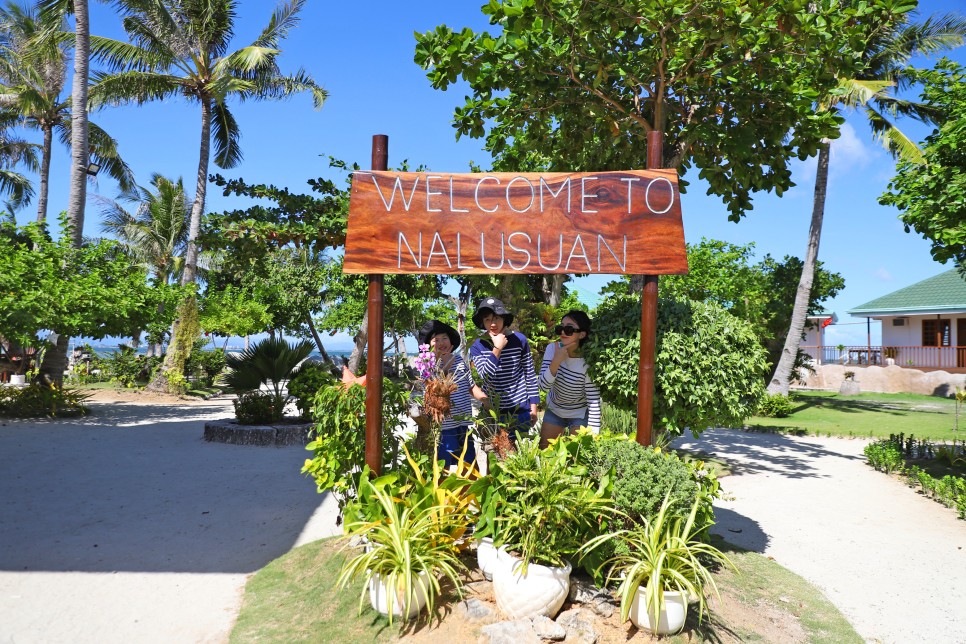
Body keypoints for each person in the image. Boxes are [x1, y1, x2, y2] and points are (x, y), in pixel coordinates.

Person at [416, 319, 487, 469]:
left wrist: (485, 400)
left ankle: (470, 490)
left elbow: (471, 386)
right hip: (444, 426)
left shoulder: (460, 360)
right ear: (429, 345)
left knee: (469, 463)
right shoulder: (428, 365)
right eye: (436, 340)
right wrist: (443, 363)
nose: (441, 342)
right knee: (443, 465)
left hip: (463, 422)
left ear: (451, 342)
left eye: (445, 338)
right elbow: (435, 390)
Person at [469, 297, 539, 439]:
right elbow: (485, 375)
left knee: (519, 455)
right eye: (487, 320)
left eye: (497, 318)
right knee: (494, 454)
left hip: (519, 409)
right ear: (482, 322)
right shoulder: (478, 345)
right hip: (492, 411)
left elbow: (529, 375)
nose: (493, 324)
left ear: (504, 319)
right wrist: (497, 349)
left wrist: (534, 406)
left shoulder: (519, 340)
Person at [538, 310, 601, 447]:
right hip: (555, 410)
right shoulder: (552, 349)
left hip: (579, 413)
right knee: (544, 452)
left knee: (577, 460)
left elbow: (593, 400)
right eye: (560, 328)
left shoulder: (588, 362)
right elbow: (543, 386)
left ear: (582, 334)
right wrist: (556, 361)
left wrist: (594, 434)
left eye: (569, 329)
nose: (562, 332)